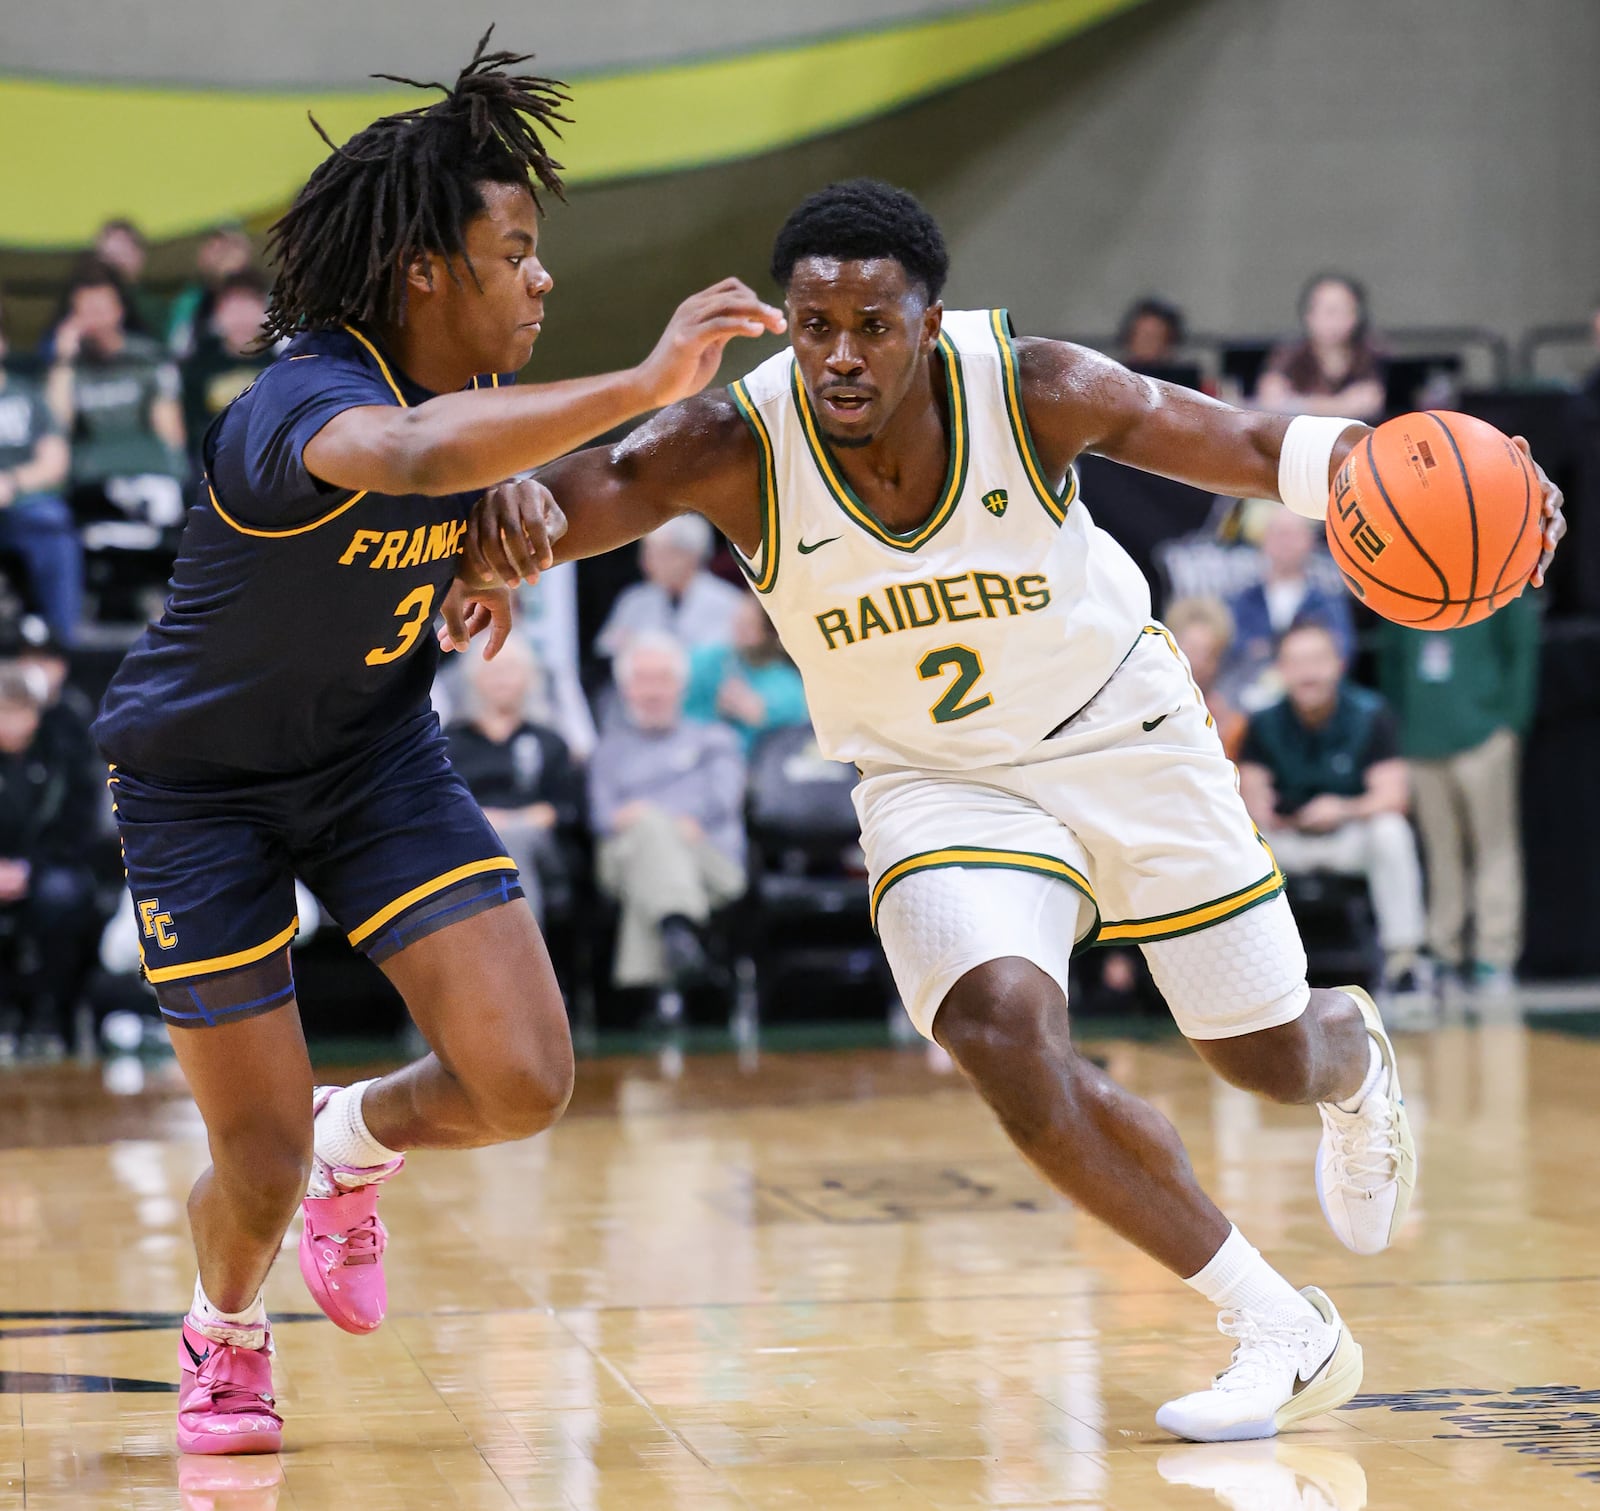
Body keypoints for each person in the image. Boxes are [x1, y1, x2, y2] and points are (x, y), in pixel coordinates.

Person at [462, 178, 1567, 1442]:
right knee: (1000, 1030)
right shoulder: (729, 442)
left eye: (872, 325)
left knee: (1261, 1053)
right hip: (934, 780)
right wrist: (476, 534)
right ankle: (1279, 1324)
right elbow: (554, 506)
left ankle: (1351, 1057)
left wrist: (1444, 471)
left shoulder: (1033, 385)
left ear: (928, 324)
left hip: (1122, 734)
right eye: (814, 325)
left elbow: (1252, 445)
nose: (840, 354)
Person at [90, 32, 782, 1456]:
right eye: (514, 253)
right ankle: (225, 1328)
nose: (541, 279)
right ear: (422, 272)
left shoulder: (460, 410)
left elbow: (463, 467)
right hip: (199, 792)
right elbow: (408, 462)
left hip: (369, 758)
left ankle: (357, 1140)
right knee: (256, 1154)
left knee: (524, 1078)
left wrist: (497, 526)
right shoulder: (297, 402)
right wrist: (647, 379)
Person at [1238, 623, 1427, 992]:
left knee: (1391, 832)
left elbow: (1394, 795)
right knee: (1241, 842)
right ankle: (1248, 965)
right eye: (1296, 662)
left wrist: (1342, 809)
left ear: (1338, 664)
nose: (1308, 673)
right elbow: (1249, 795)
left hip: (1347, 836)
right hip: (1288, 840)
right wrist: (1270, 811)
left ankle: (1404, 960)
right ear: (1281, 669)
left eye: (1316, 660)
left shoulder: (1370, 713)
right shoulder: (1263, 722)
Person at [1377, 595, 1541, 994]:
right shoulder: (1402, 584)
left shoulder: (1497, 578)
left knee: (1494, 848)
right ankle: (1443, 951)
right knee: (1439, 852)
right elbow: (1390, 663)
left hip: (1484, 736)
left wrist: (1510, 722)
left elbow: (1522, 650)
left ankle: (1494, 955)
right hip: (1422, 740)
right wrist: (1403, 726)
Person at [588, 631, 746, 993]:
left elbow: (724, 799)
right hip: (625, 860)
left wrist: (645, 818)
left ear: (681, 686)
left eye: (662, 679)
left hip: (711, 861)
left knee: (648, 847)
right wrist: (666, 824)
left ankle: (653, 993)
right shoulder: (609, 750)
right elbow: (602, 816)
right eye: (642, 680)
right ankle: (677, 929)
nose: (653, 692)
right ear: (625, 689)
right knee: (650, 834)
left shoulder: (715, 739)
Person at [46, 260, 188, 586]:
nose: (94, 318)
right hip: (91, 481)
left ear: (119, 311)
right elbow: (56, 427)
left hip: (149, 475)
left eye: (100, 309)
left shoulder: (148, 358)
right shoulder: (68, 367)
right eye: (84, 311)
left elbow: (172, 435)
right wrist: (63, 360)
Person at [0, 662, 102, 1060]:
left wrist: (29, 868)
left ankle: (53, 1014)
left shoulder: (62, 751)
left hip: (48, 867)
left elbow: (77, 826)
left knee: (63, 897)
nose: (12, 722)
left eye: (19, 710)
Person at [444, 636, 583, 924]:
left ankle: (521, 943)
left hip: (540, 848)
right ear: (474, 679)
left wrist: (521, 819)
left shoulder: (550, 742)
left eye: (509, 670)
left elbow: (568, 809)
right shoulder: (451, 743)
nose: (502, 680)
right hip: (469, 845)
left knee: (512, 841)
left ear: (529, 678)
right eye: (493, 670)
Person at [0, 299, 83, 643]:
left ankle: (62, 647)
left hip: (24, 504)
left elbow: (55, 462)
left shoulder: (29, 396)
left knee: (53, 525)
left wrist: (11, 481)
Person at [1227, 509, 1355, 708]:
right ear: (1264, 541)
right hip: (1249, 702)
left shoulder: (1327, 601)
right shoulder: (1245, 600)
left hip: (1313, 701)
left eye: (1293, 534)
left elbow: (1342, 651)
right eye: (1278, 534)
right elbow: (1235, 652)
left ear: (1309, 541)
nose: (1285, 542)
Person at [594, 512, 745, 659]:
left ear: (690, 557)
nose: (647, 564)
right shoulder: (634, 600)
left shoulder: (728, 602)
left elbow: (728, 656)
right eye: (647, 554)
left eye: (660, 555)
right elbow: (605, 648)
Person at [684, 589, 809, 753]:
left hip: (762, 760)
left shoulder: (786, 681)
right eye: (738, 621)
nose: (739, 630)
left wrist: (754, 709)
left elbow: (789, 712)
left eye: (749, 625)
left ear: (771, 633)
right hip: (699, 751)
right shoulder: (709, 659)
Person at [1254, 273, 1385, 423]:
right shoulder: (1289, 354)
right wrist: (1339, 406)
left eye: (1345, 311)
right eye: (1329, 311)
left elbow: (1374, 402)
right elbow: (1271, 400)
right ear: (1309, 315)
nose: (1335, 321)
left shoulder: (1372, 355)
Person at [180, 271, 278, 461]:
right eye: (233, 310)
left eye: (248, 309)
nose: (241, 319)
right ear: (218, 314)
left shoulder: (282, 363)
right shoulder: (197, 364)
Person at [1164, 596, 1246, 760]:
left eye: (1209, 654)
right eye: (1191, 650)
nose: (1198, 663)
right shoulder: (1151, 704)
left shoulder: (1227, 721)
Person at [167, 225, 257, 359]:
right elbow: (177, 347)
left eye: (232, 246)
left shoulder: (271, 297)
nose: (224, 255)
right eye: (217, 248)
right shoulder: (190, 301)